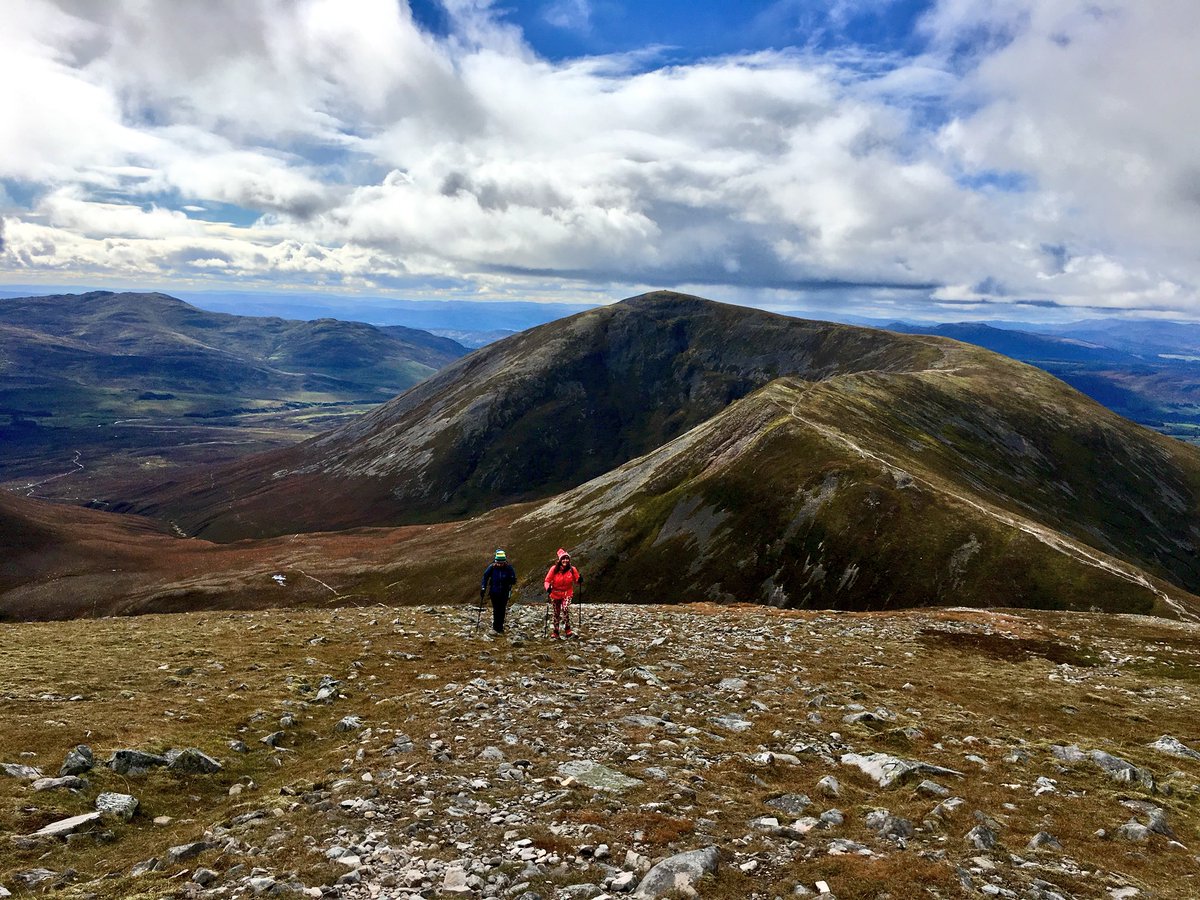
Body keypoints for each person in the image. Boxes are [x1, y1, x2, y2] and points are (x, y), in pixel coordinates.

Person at [543, 548, 582, 639]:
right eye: (563, 559)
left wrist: (579, 580)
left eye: (567, 559)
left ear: (569, 560)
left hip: (567, 593)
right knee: (556, 613)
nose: (565, 560)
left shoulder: (572, 569)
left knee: (565, 608)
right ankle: (556, 632)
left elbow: (577, 580)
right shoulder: (554, 569)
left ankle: (568, 630)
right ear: (560, 560)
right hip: (555, 594)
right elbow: (547, 581)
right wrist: (548, 587)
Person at [481, 550, 517, 634]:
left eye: (501, 563)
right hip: (494, 592)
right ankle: (496, 626)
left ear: (504, 561)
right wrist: (483, 588)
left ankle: (500, 627)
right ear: (495, 561)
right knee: (496, 609)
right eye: (498, 562)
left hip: (504, 592)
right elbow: (485, 577)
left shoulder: (509, 568)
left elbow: (513, 578)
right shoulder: (492, 567)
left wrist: (512, 580)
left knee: (502, 609)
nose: (500, 564)